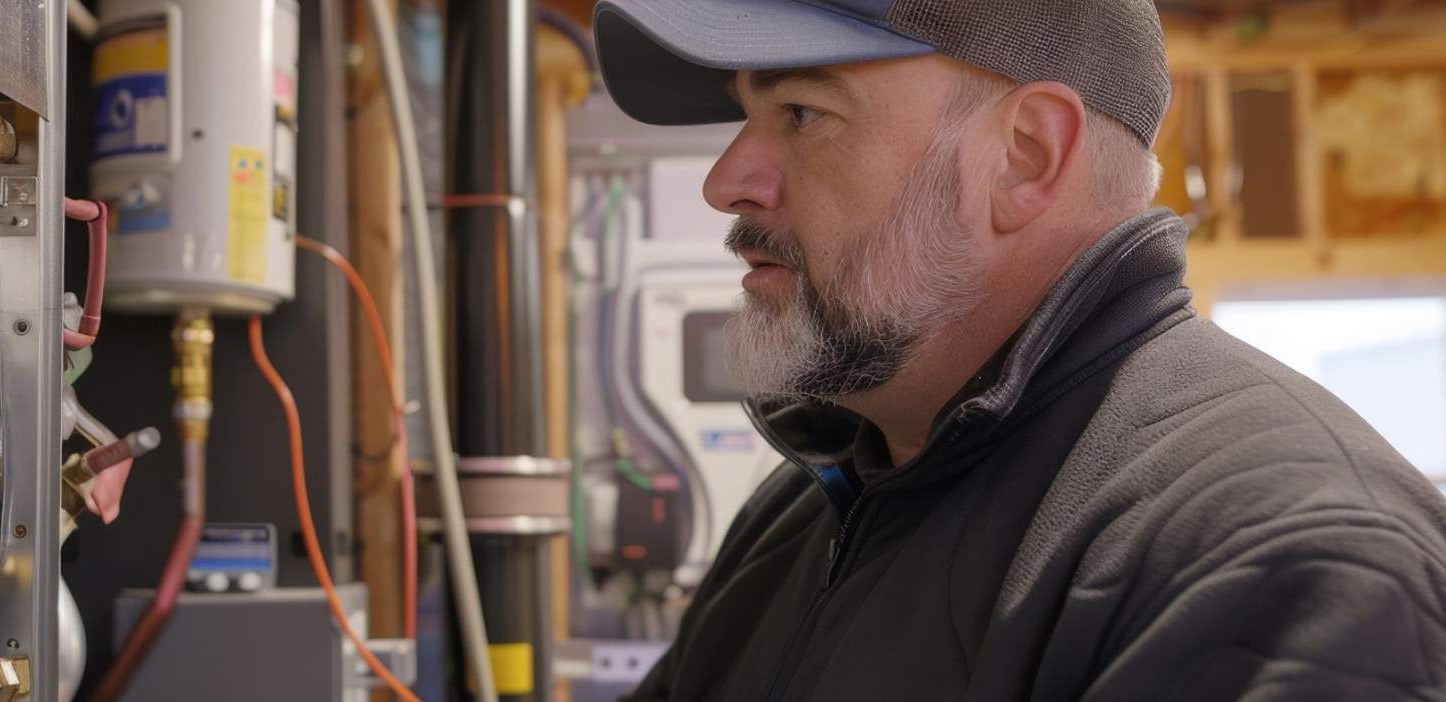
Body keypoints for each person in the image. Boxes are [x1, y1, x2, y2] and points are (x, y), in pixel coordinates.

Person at [591, 1, 1446, 700]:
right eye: (749, 115)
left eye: (803, 114)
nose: (726, 181)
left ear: (1025, 158)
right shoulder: (810, 502)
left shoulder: (1284, 562)